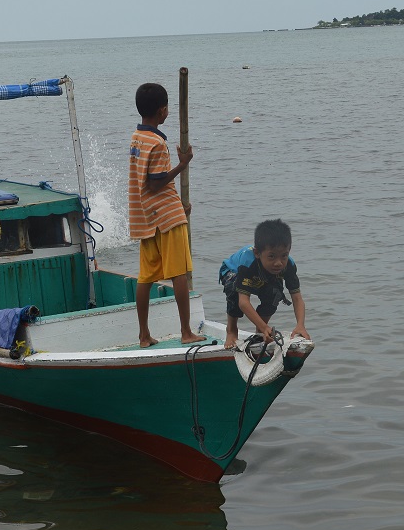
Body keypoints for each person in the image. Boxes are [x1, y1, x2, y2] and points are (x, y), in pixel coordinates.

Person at [128, 82, 204, 348]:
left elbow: (147, 183)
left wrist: (179, 205)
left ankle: (143, 335)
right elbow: (157, 183)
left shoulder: (137, 137)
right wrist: (183, 164)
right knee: (179, 272)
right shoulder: (158, 143)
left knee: (146, 277)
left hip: (146, 216)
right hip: (166, 218)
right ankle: (186, 331)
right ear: (162, 111)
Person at [219, 218, 309, 350]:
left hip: (264, 277)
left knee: (276, 293)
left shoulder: (288, 265)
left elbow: (297, 298)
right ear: (257, 253)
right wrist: (265, 327)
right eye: (271, 256)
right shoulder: (247, 262)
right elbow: (243, 302)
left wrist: (300, 325)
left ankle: (260, 331)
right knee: (234, 288)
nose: (278, 263)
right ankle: (232, 330)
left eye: (284, 256)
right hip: (233, 272)